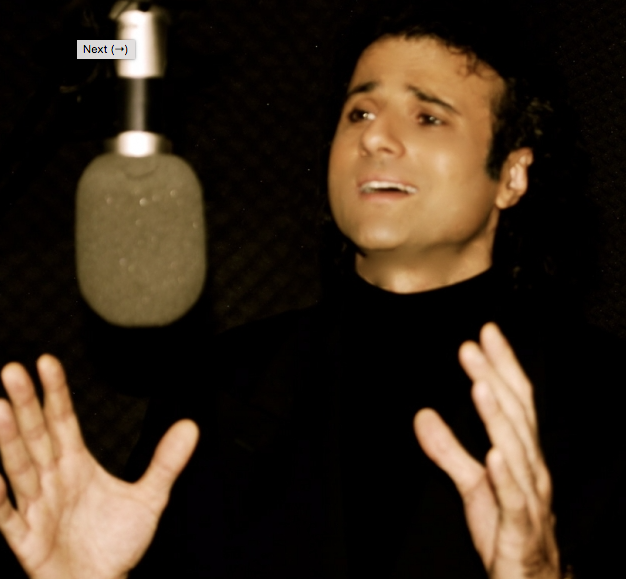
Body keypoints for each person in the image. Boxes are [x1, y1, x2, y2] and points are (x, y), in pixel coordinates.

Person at [0, 3, 623, 578]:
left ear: (511, 176)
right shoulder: (218, 387)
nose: (374, 138)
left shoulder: (604, 400)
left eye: (428, 116)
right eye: (360, 113)